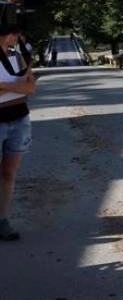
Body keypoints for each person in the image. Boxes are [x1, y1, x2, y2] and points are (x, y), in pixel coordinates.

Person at [0, 25, 36, 241]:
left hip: (20, 119)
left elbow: (31, 88)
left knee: (8, 173)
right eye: (13, 32)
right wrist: (17, 85)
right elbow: (24, 85)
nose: (17, 36)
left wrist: (3, 85)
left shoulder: (17, 56)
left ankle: (2, 220)